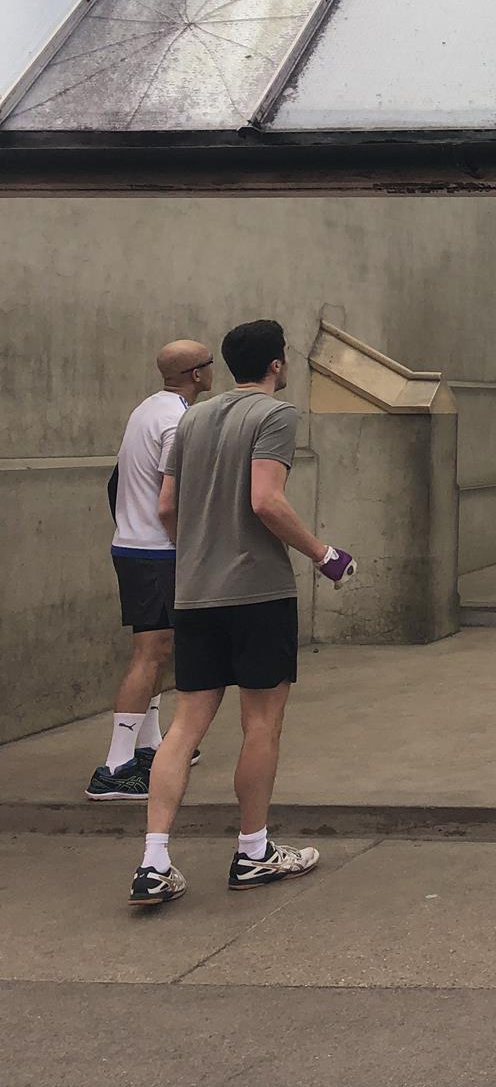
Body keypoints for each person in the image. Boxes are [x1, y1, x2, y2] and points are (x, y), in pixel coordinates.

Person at [129, 320, 356, 907]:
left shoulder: (192, 418)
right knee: (261, 725)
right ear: (277, 365)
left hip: (195, 594)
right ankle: (252, 852)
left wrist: (196, 556)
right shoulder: (276, 416)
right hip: (258, 594)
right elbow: (265, 499)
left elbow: (167, 504)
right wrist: (324, 555)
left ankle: (153, 862)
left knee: (184, 727)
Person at [88, 340, 213, 802]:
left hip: (136, 548)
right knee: (151, 652)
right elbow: (169, 503)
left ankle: (149, 746)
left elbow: (116, 482)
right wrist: (185, 546)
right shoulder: (179, 422)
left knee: (157, 649)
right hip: (157, 553)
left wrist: (129, 527)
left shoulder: (145, 411)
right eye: (209, 364)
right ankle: (115, 768)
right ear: (198, 374)